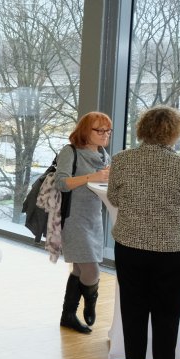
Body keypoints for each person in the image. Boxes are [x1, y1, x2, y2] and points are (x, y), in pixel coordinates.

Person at [108, 106, 180, 359]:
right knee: (167, 313)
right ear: (174, 132)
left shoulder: (122, 159)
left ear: (142, 129)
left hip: (129, 245)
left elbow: (114, 198)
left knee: (132, 308)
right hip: (169, 249)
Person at [53, 112, 112, 334]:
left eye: (108, 131)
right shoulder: (70, 151)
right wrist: (91, 177)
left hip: (94, 217)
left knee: (79, 268)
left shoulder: (104, 155)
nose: (105, 135)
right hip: (73, 218)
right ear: (86, 130)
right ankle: (90, 301)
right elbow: (61, 182)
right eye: (100, 130)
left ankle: (68, 315)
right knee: (91, 269)